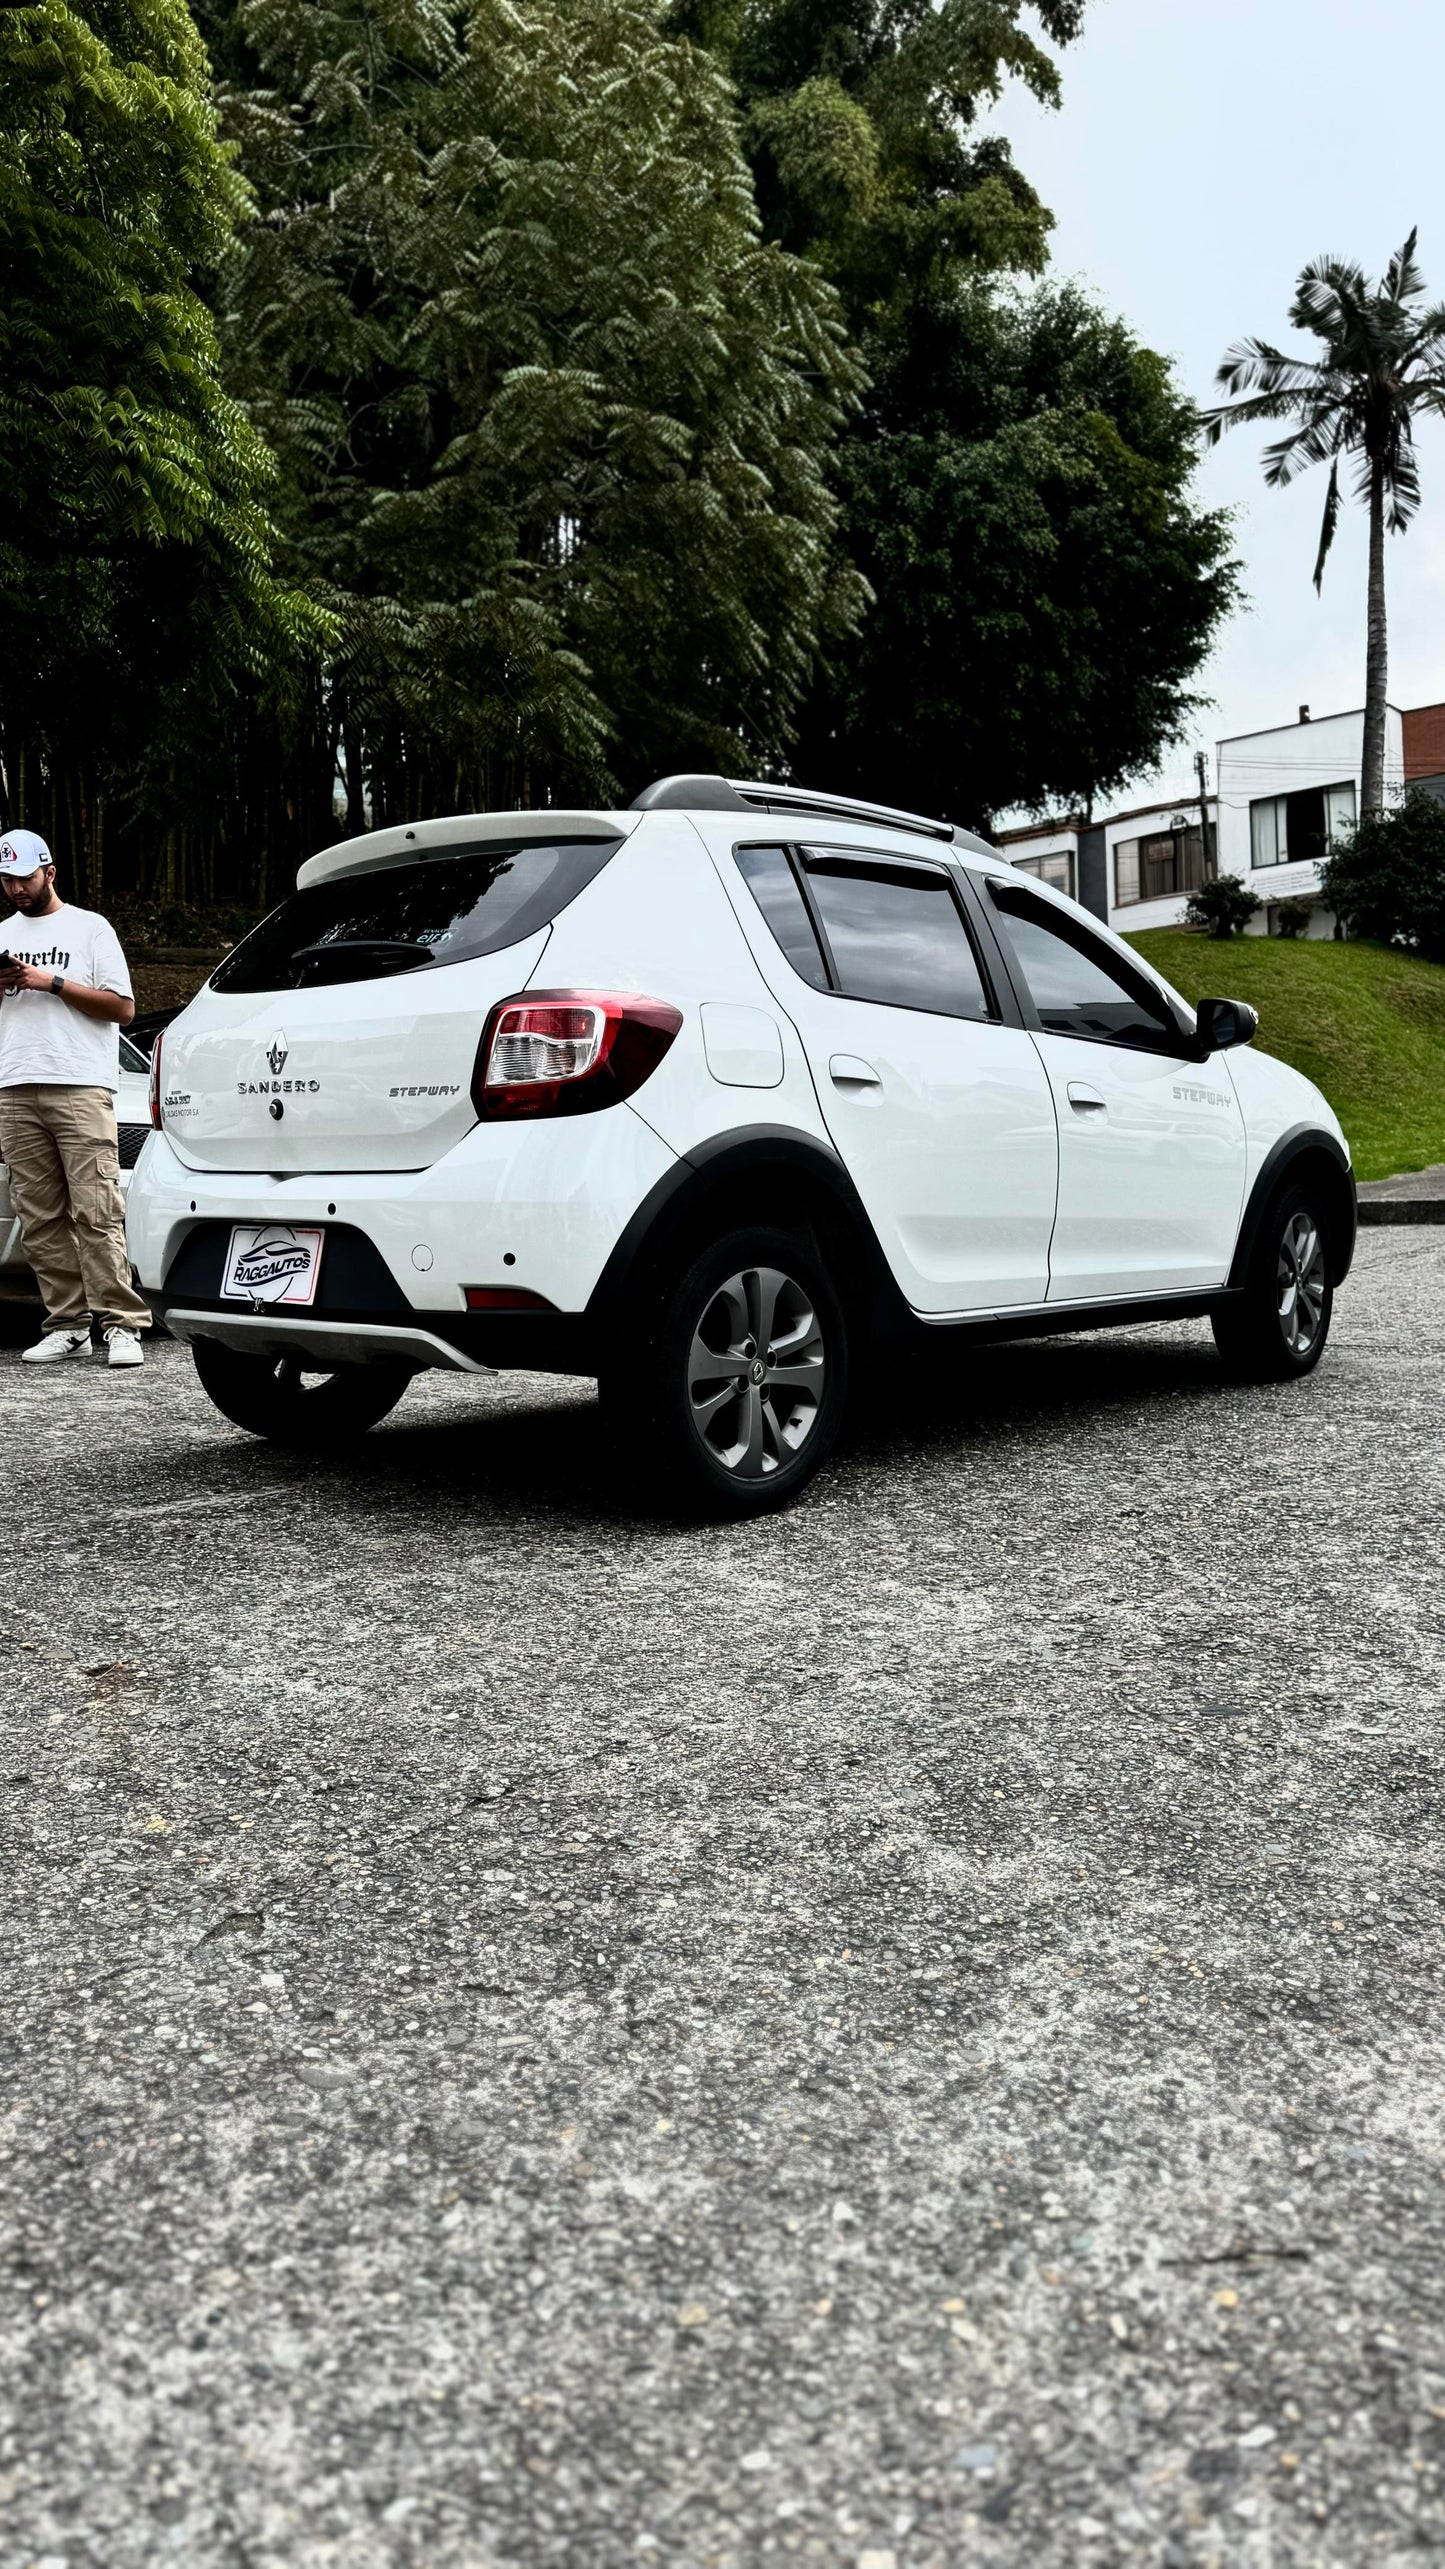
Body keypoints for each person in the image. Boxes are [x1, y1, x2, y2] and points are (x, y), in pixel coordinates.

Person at [0, 827, 151, 1367]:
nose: (17, 888)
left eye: (25, 877)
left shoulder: (90, 929)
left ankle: (122, 1324)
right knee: (39, 1216)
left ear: (50, 873)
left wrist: (51, 982)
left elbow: (122, 1009)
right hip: (14, 1085)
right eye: (7, 879)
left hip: (81, 1083)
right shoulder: (1, 934)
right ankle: (66, 1324)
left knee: (97, 1210)